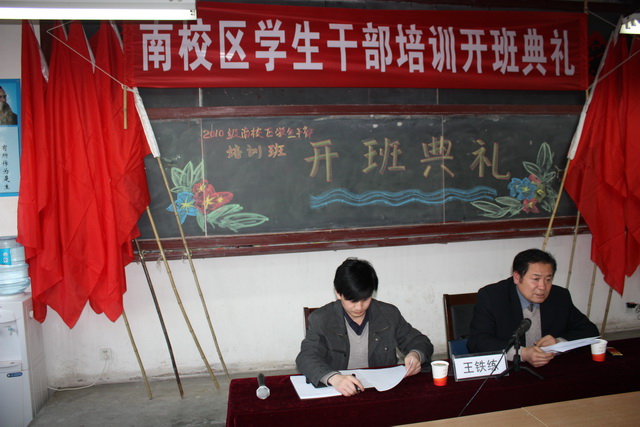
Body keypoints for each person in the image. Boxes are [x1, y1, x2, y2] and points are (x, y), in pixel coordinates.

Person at [296, 257, 433, 396]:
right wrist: (334, 378)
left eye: (365, 299)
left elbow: (420, 341)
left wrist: (416, 355)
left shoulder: (388, 314)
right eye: (352, 301)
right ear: (338, 293)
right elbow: (306, 357)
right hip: (341, 391)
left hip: (382, 390)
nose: (359, 307)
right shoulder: (321, 319)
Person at [468, 248, 599, 368]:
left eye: (548, 279)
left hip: (551, 369)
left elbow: (590, 330)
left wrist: (559, 342)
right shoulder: (492, 297)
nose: (542, 287)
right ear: (517, 277)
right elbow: (477, 341)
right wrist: (521, 353)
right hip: (510, 370)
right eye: (536, 279)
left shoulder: (560, 296)